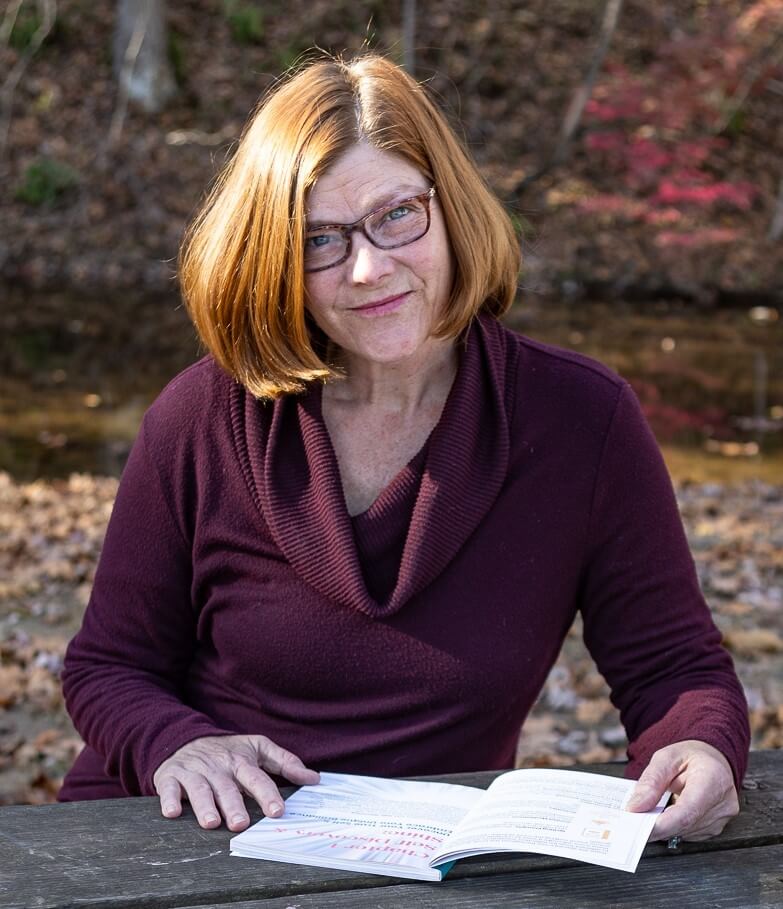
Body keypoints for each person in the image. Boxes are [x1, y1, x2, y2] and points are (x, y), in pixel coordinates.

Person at [59, 53, 749, 843]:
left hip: (419, 859)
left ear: (449, 206)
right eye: (319, 239)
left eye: (395, 215)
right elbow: (108, 665)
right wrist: (176, 742)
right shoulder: (204, 415)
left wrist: (700, 744)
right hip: (176, 838)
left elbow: (672, 667)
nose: (367, 268)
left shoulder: (580, 420)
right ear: (274, 257)